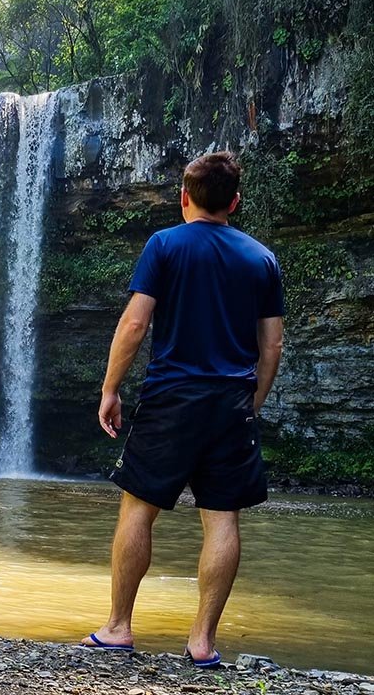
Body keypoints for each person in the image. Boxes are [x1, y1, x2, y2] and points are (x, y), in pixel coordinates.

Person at [80, 151, 285, 668]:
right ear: (234, 203)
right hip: (230, 403)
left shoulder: (165, 244)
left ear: (183, 197)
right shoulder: (262, 258)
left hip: (171, 398)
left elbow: (134, 325)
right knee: (221, 520)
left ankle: (119, 628)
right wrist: (251, 401)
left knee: (138, 510)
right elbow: (273, 345)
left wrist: (110, 389)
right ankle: (201, 643)